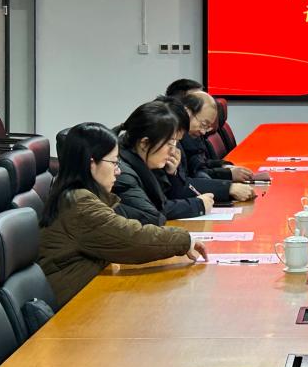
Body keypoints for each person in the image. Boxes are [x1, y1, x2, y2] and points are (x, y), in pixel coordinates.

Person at [38, 122, 204, 309]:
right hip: (71, 309)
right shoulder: (80, 204)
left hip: (85, 295)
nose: (118, 171)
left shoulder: (74, 195)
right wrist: (185, 240)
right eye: (114, 163)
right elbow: (133, 239)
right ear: (91, 163)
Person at [113, 100, 212, 224]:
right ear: (144, 143)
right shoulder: (120, 171)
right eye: (170, 143)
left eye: (175, 143)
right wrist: (197, 205)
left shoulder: (144, 159)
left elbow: (165, 199)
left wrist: (172, 174)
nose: (173, 151)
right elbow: (152, 214)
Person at [157, 97, 255, 207]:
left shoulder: (184, 138)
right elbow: (175, 193)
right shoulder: (170, 142)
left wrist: (224, 168)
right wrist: (227, 188)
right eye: (203, 124)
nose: (204, 132)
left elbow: (197, 168)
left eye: (207, 127)